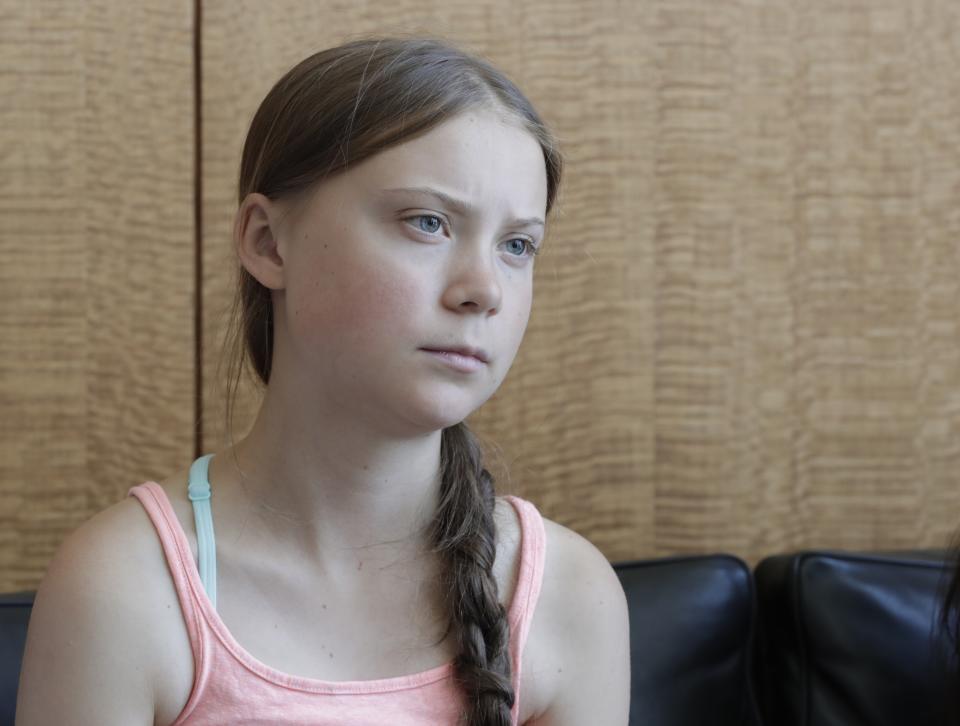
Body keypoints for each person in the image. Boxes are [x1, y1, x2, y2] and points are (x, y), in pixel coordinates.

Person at [16, 37, 631, 725]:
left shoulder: (568, 598)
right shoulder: (125, 589)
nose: (483, 289)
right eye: (427, 222)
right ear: (268, 242)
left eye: (517, 245)